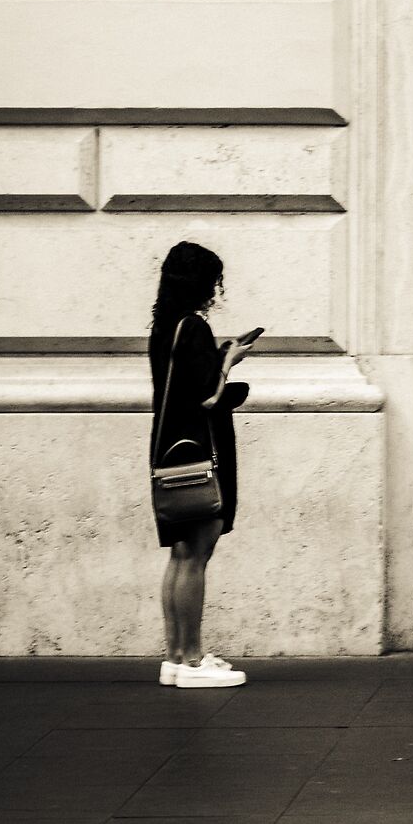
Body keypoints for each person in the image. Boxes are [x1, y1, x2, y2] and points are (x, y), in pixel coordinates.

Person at [148, 240, 258, 689]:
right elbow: (208, 394)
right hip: (200, 451)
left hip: (170, 451)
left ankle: (175, 657)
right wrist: (229, 358)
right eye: (213, 281)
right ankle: (193, 661)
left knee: (181, 555)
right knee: (196, 554)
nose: (215, 290)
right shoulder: (192, 327)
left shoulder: (164, 328)